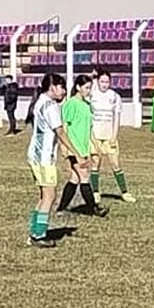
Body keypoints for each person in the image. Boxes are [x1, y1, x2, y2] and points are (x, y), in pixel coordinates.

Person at [26, 73, 78, 248]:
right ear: (53, 87)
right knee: (50, 195)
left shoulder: (40, 101)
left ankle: (34, 231)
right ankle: (39, 235)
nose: (63, 91)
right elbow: (60, 132)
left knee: (43, 195)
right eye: (61, 87)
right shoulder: (50, 106)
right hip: (43, 156)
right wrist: (77, 153)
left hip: (35, 154)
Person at [58, 74, 107, 217]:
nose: (88, 90)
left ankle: (61, 207)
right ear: (78, 87)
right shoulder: (71, 104)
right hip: (73, 147)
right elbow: (64, 125)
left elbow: (89, 127)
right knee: (85, 176)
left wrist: (94, 143)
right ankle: (94, 209)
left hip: (83, 147)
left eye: (90, 88)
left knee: (75, 178)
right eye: (86, 87)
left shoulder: (87, 105)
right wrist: (64, 146)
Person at [90, 69, 135, 203]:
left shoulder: (114, 96)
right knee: (95, 163)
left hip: (109, 135)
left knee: (115, 164)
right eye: (102, 81)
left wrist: (114, 136)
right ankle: (96, 192)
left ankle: (124, 192)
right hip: (95, 135)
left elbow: (116, 117)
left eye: (107, 82)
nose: (104, 84)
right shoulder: (92, 95)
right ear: (97, 81)